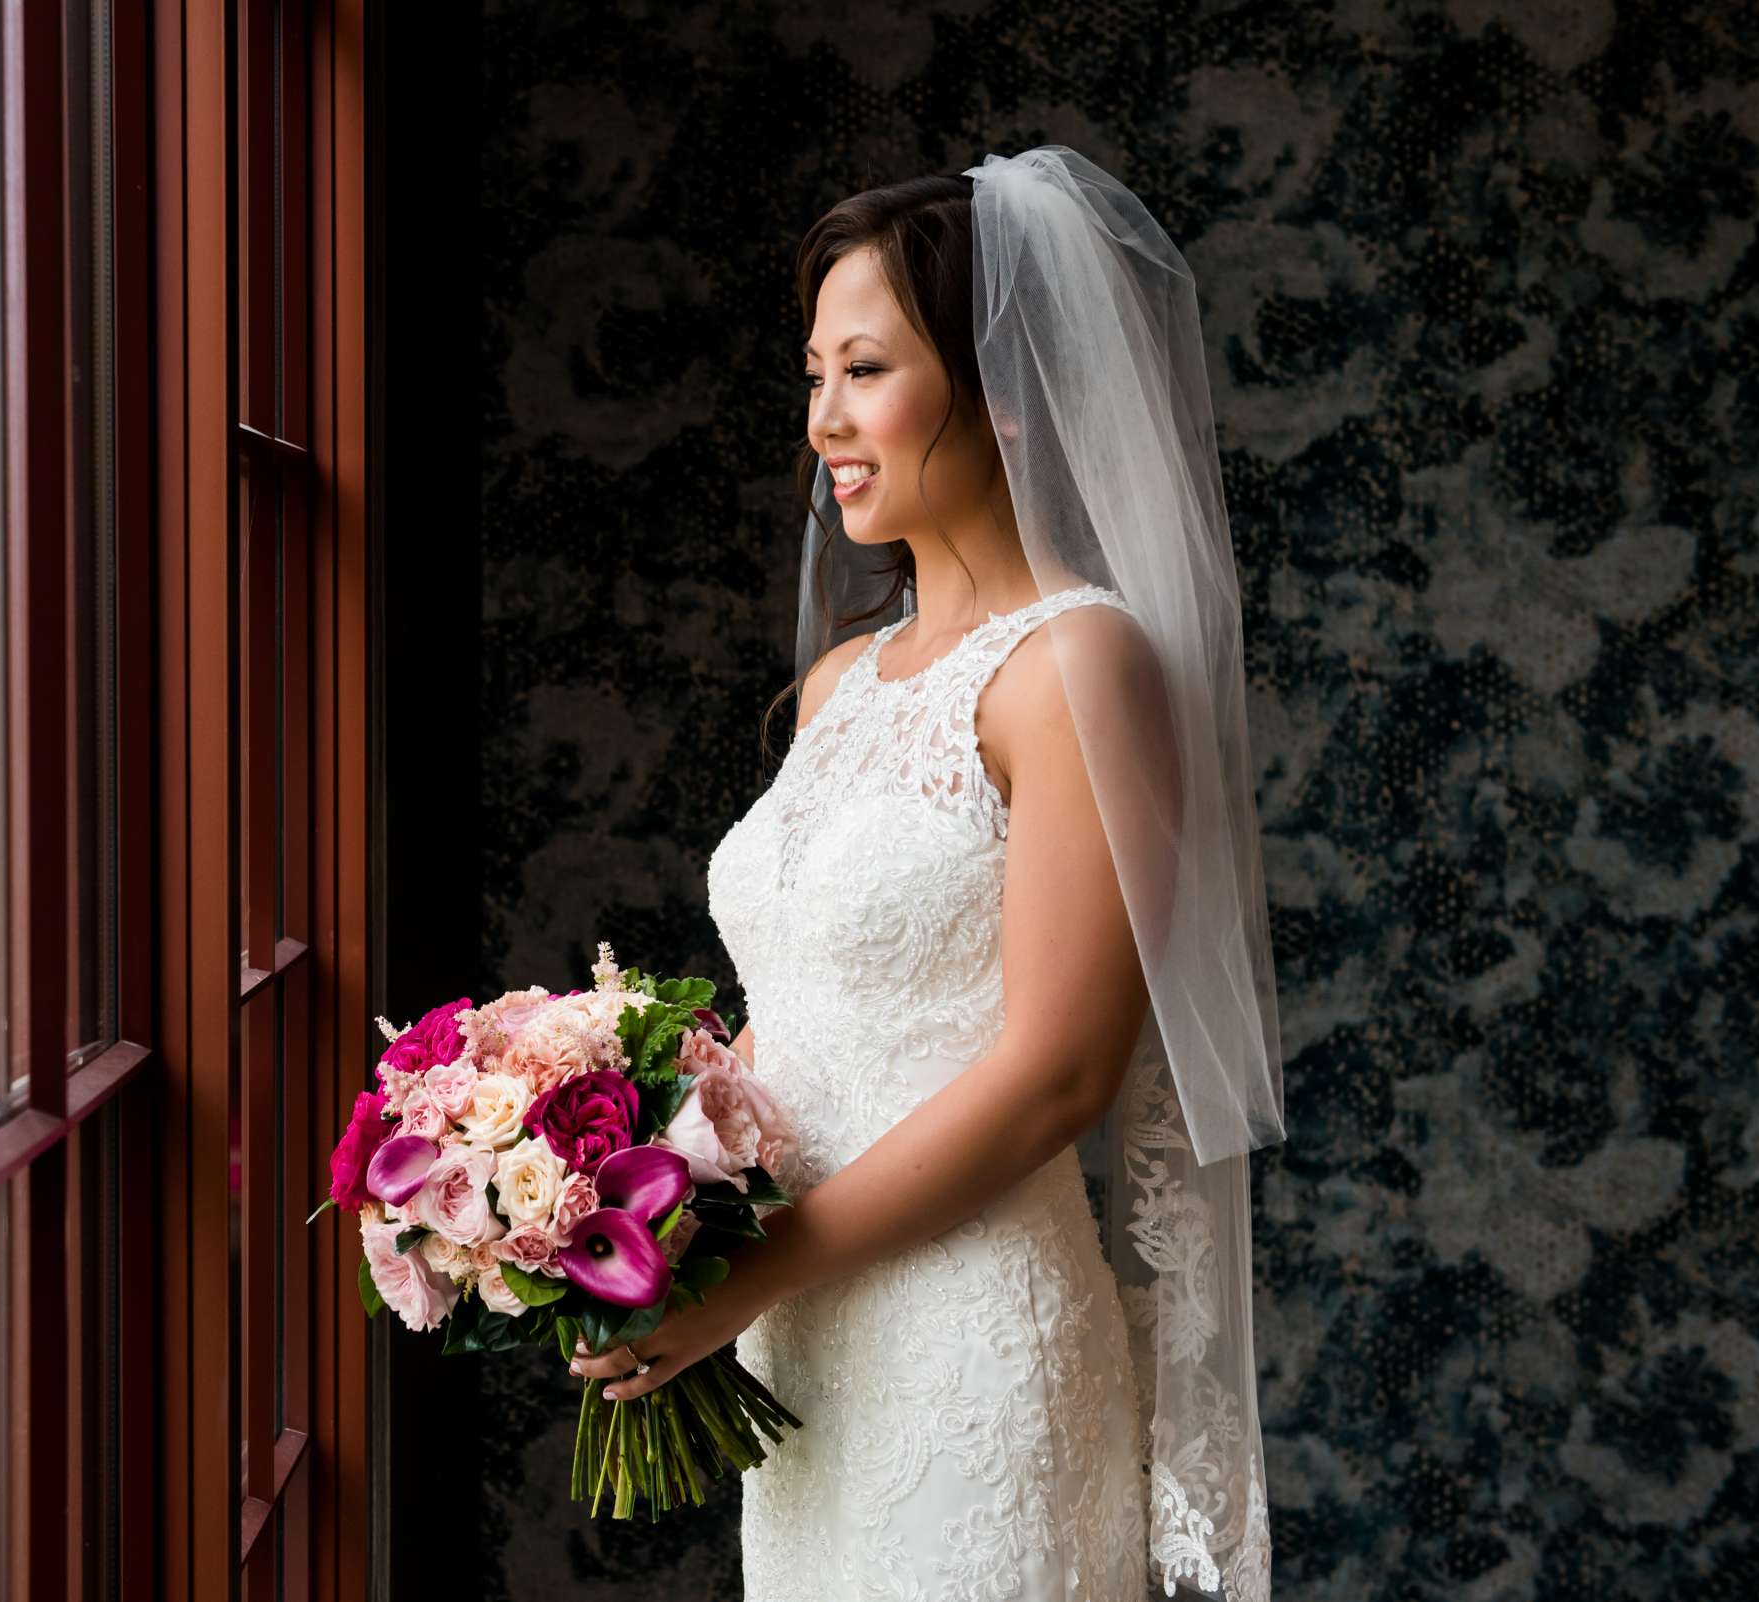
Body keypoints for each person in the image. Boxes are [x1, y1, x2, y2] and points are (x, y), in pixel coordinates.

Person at [566, 147, 1286, 1601]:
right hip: (808, 1364)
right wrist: (619, 1190)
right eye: (814, 372)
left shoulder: (1080, 663)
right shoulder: (841, 683)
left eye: (867, 369)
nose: (823, 418)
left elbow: (1056, 1075)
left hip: (973, 1359)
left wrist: (748, 1281)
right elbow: (811, 1008)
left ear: (1002, 385)